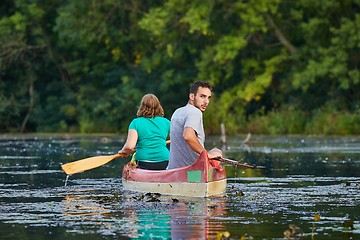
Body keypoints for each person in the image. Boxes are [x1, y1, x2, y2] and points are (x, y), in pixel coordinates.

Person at [167, 81, 222, 169]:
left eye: (208, 98)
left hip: (173, 169)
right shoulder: (195, 112)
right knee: (217, 151)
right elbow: (188, 136)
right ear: (192, 96)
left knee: (215, 152)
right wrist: (206, 154)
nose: (206, 101)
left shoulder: (177, 112)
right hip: (194, 171)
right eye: (202, 96)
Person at [118, 94, 170, 170]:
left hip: (144, 162)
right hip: (165, 161)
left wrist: (123, 151)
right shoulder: (166, 122)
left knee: (130, 166)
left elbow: (130, 146)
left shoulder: (136, 123)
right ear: (159, 106)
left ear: (142, 106)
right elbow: (177, 142)